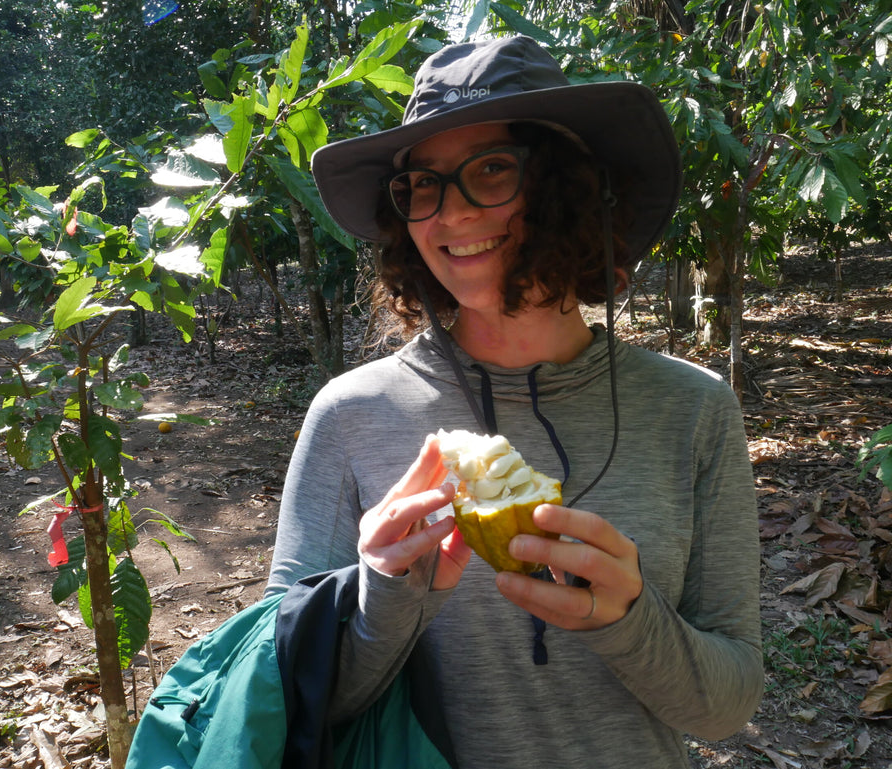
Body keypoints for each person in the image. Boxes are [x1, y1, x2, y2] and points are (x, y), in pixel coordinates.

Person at [266, 35, 762, 768]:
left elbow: (728, 705)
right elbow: (288, 697)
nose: (450, 213)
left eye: (492, 168)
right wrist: (384, 595)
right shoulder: (351, 415)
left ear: (568, 189)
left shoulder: (692, 410)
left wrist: (630, 619)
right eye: (423, 185)